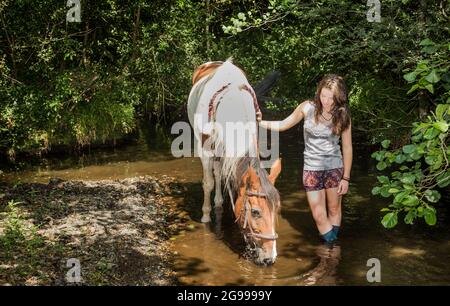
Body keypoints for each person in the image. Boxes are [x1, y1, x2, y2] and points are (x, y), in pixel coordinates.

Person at [257, 74, 352, 243]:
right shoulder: (307, 108)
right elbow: (282, 124)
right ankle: (332, 248)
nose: (327, 101)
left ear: (339, 97)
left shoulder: (342, 114)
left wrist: (346, 177)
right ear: (318, 93)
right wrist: (259, 123)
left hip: (335, 168)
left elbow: (347, 147)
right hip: (312, 169)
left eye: (332, 98)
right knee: (318, 214)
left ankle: (330, 248)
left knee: (334, 208)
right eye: (323, 96)